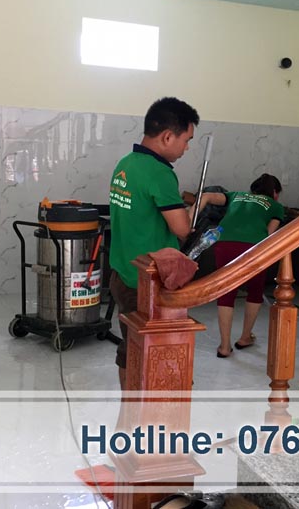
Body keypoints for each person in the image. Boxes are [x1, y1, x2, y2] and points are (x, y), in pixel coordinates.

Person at [108, 97, 199, 389]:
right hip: (147, 281)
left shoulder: (126, 164)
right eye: (186, 140)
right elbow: (182, 229)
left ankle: (129, 404)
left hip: (122, 272)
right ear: (168, 136)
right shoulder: (159, 172)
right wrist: (203, 202)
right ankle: (149, 406)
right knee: (153, 350)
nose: (186, 148)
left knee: (130, 345)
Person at [191, 174, 285, 358]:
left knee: (226, 292)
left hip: (224, 241)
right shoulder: (276, 206)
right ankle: (244, 337)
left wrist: (189, 220)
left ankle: (224, 346)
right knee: (255, 291)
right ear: (275, 192)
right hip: (254, 246)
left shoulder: (235, 195)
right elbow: (268, 233)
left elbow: (207, 196)